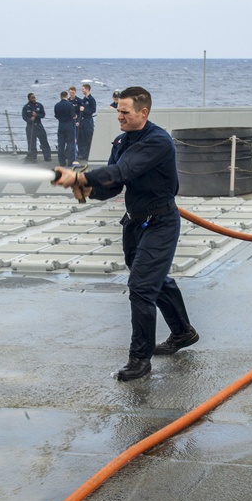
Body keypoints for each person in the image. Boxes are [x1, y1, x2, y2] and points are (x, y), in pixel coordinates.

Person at [52, 86, 198, 382]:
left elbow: (123, 170)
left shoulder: (158, 141)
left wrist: (81, 176)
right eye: (118, 110)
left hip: (160, 223)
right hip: (134, 224)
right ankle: (183, 332)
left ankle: (139, 360)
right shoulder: (121, 141)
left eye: (124, 111)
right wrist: (88, 190)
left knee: (141, 287)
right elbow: (115, 184)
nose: (119, 116)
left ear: (143, 112)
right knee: (154, 279)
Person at [21, 92, 51, 163]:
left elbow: (43, 114)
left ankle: (47, 156)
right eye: (32, 98)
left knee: (44, 141)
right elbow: (24, 117)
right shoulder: (26, 107)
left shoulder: (39, 105)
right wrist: (30, 119)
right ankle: (33, 157)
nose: (34, 99)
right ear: (29, 99)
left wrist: (37, 115)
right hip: (30, 126)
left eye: (34, 97)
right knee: (31, 143)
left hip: (38, 125)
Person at [53, 91, 77, 167]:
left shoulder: (57, 105)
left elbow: (56, 116)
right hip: (69, 126)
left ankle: (62, 162)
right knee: (70, 144)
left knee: (61, 145)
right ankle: (70, 161)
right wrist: (75, 116)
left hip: (61, 125)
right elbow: (73, 116)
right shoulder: (70, 105)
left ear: (60, 96)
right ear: (67, 96)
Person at [77, 83, 97, 164]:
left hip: (88, 121)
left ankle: (89, 154)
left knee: (88, 138)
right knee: (82, 138)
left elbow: (93, 110)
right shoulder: (84, 99)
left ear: (87, 89)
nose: (82, 91)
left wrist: (84, 110)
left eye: (83, 89)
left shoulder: (91, 99)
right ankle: (83, 154)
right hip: (82, 121)